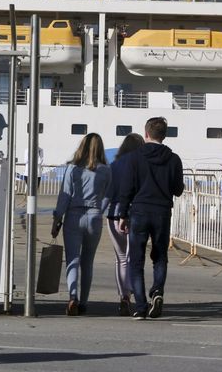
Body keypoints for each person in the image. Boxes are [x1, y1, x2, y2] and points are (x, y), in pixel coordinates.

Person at [110, 116, 184, 320]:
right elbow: (178, 190)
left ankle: (141, 307)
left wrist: (122, 214)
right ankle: (157, 291)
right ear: (164, 135)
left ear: (146, 134)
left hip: (139, 211)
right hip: (162, 212)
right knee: (160, 257)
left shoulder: (135, 158)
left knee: (136, 260)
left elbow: (127, 188)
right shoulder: (174, 159)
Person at [52, 133, 112, 315]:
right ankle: (84, 302)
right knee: (88, 262)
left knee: (73, 259)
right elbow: (108, 196)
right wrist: (99, 210)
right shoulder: (106, 170)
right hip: (94, 216)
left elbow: (64, 196)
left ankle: (73, 297)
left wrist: (57, 218)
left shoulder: (72, 169)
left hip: (73, 216)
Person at [106, 133, 145, 316]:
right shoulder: (141, 165)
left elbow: (109, 192)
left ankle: (123, 296)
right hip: (134, 213)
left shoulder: (114, 166)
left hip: (114, 214)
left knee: (120, 258)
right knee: (132, 257)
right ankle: (134, 292)